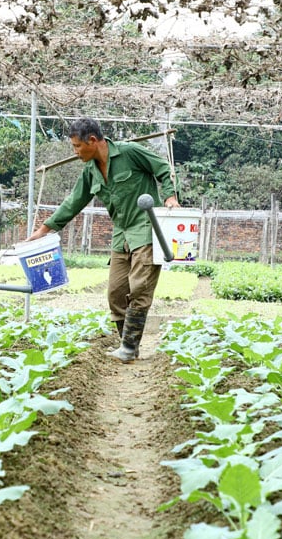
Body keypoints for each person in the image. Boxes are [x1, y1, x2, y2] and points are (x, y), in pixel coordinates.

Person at [27, 117, 179, 363]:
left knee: (139, 287)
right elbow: (74, 201)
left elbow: (162, 167)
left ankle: (129, 347)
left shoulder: (130, 153)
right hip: (121, 233)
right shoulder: (90, 171)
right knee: (116, 293)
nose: (75, 152)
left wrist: (171, 196)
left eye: (77, 146)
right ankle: (126, 343)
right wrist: (44, 230)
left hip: (146, 227)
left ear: (93, 141)